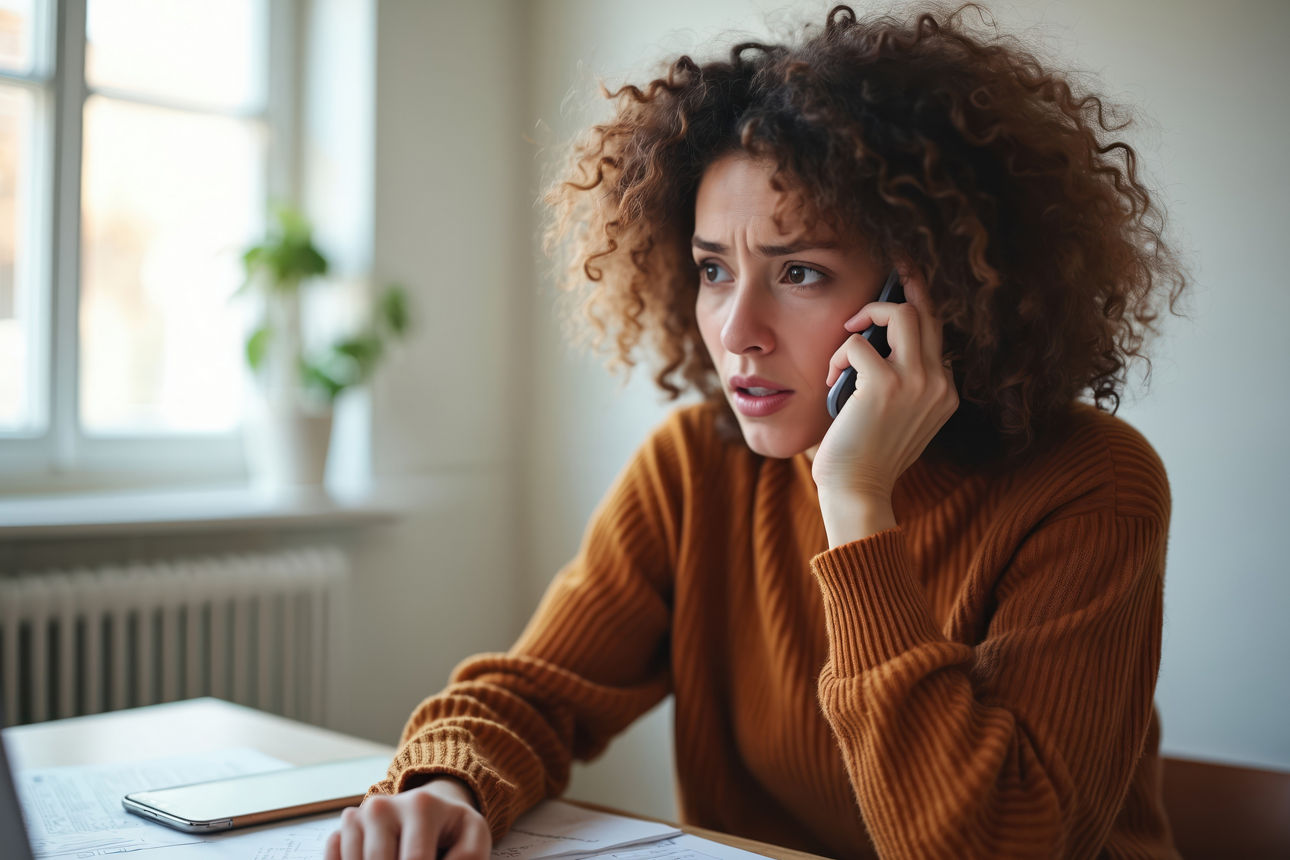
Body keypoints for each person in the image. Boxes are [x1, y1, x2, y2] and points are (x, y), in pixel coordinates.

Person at [327, 4, 1187, 858]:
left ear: (928, 296)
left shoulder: (1092, 484)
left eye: (800, 271)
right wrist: (446, 784)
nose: (737, 328)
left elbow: (989, 846)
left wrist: (856, 501)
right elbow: (535, 694)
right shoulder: (698, 467)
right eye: (712, 269)